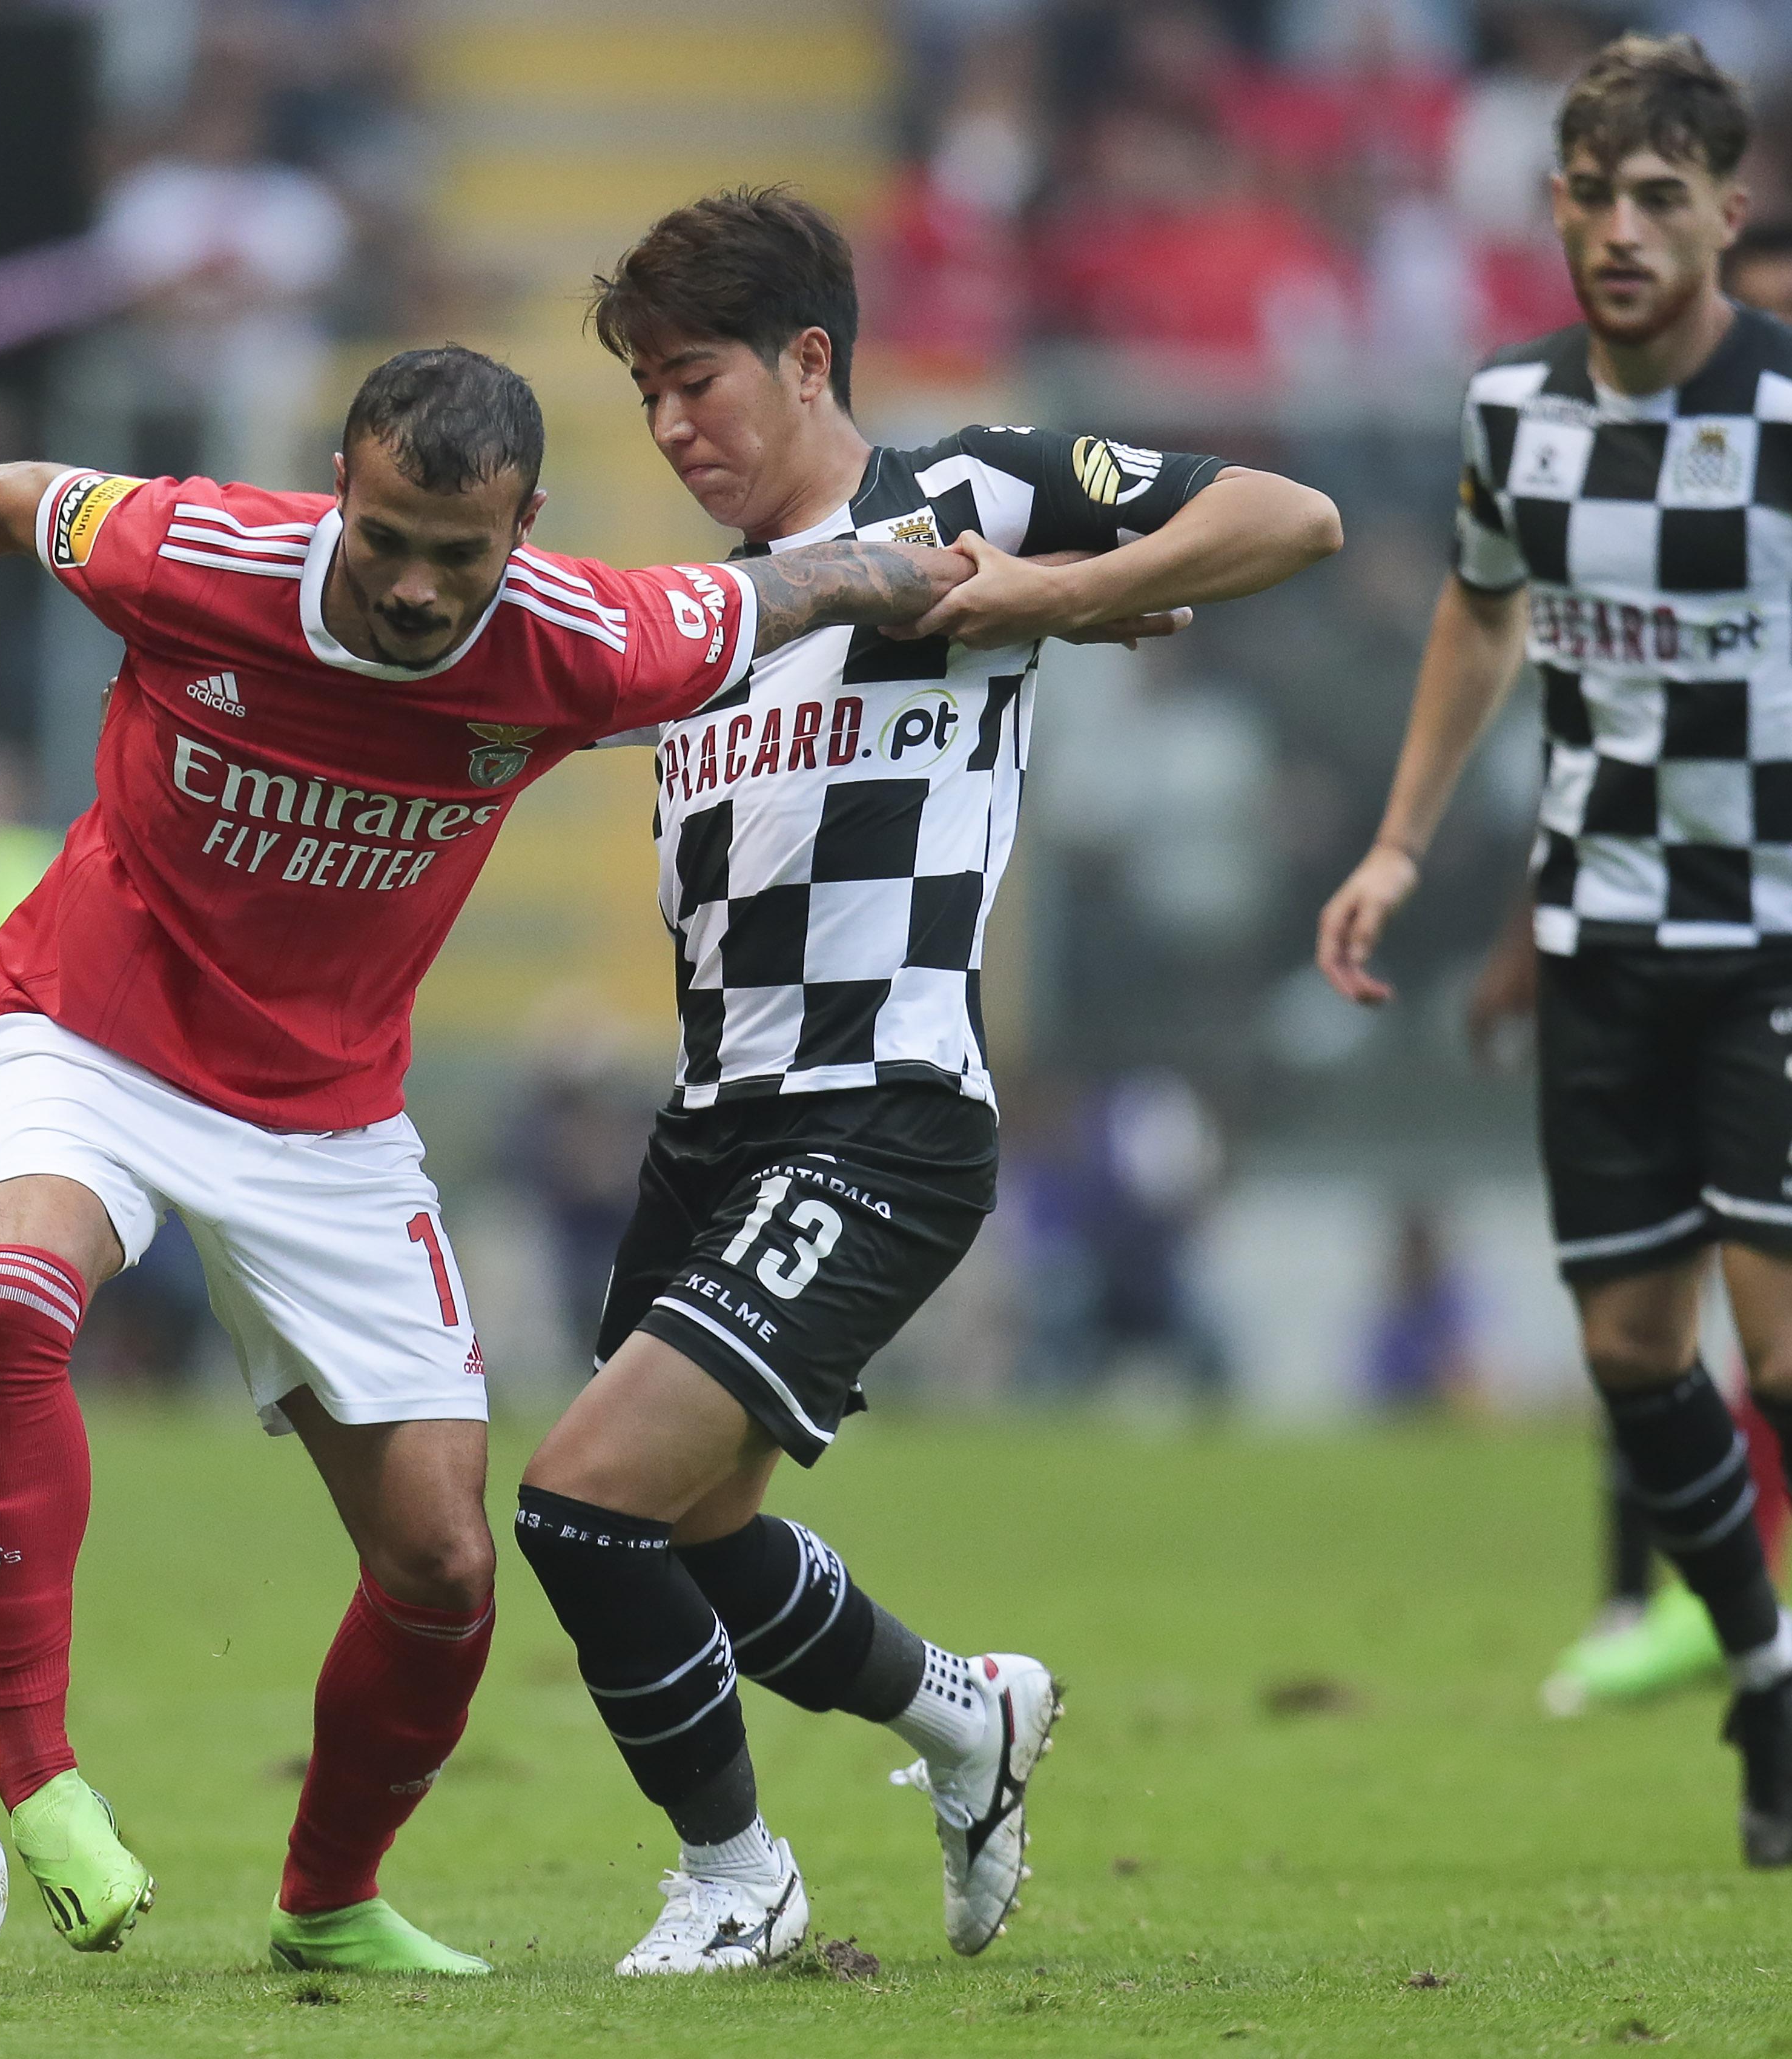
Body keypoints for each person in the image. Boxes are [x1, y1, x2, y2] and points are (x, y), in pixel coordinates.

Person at [0, 346, 1099, 1975]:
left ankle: (330, 1908)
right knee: (16, 1297)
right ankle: (39, 1777)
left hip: (328, 1123)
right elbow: (15, 498)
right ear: (336, 490)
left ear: (526, 525)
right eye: (383, 538)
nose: (416, 586)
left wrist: (1076, 596)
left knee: (442, 1565)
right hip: (93, 1030)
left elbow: (829, 578)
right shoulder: (202, 554)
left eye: (459, 551)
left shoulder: (593, 641)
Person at [516, 188, 1338, 1974]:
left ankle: (738, 1884)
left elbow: (1293, 515)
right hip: (709, 1122)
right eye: (646, 392)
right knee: (691, 1525)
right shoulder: (704, 612)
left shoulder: (964, 502)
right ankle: (965, 1717)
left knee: (579, 1505)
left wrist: (1067, 589)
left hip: (879, 1112)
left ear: (810, 360)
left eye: (695, 378)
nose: (670, 424)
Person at [1316, 37, 1792, 1868]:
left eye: (1660, 198)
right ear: (1552, 202)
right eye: (1592, 193)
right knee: (1633, 1355)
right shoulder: (1511, 412)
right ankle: (1767, 1662)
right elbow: (1479, 622)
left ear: (1725, 214)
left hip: (1789, 940)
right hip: (1600, 944)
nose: (1622, 229)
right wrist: (1400, 844)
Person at [1506, 214, 1792, 1716]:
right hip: (1624, 932)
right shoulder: (1581, 446)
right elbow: (1599, 711)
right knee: (1639, 1325)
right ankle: (1693, 1611)